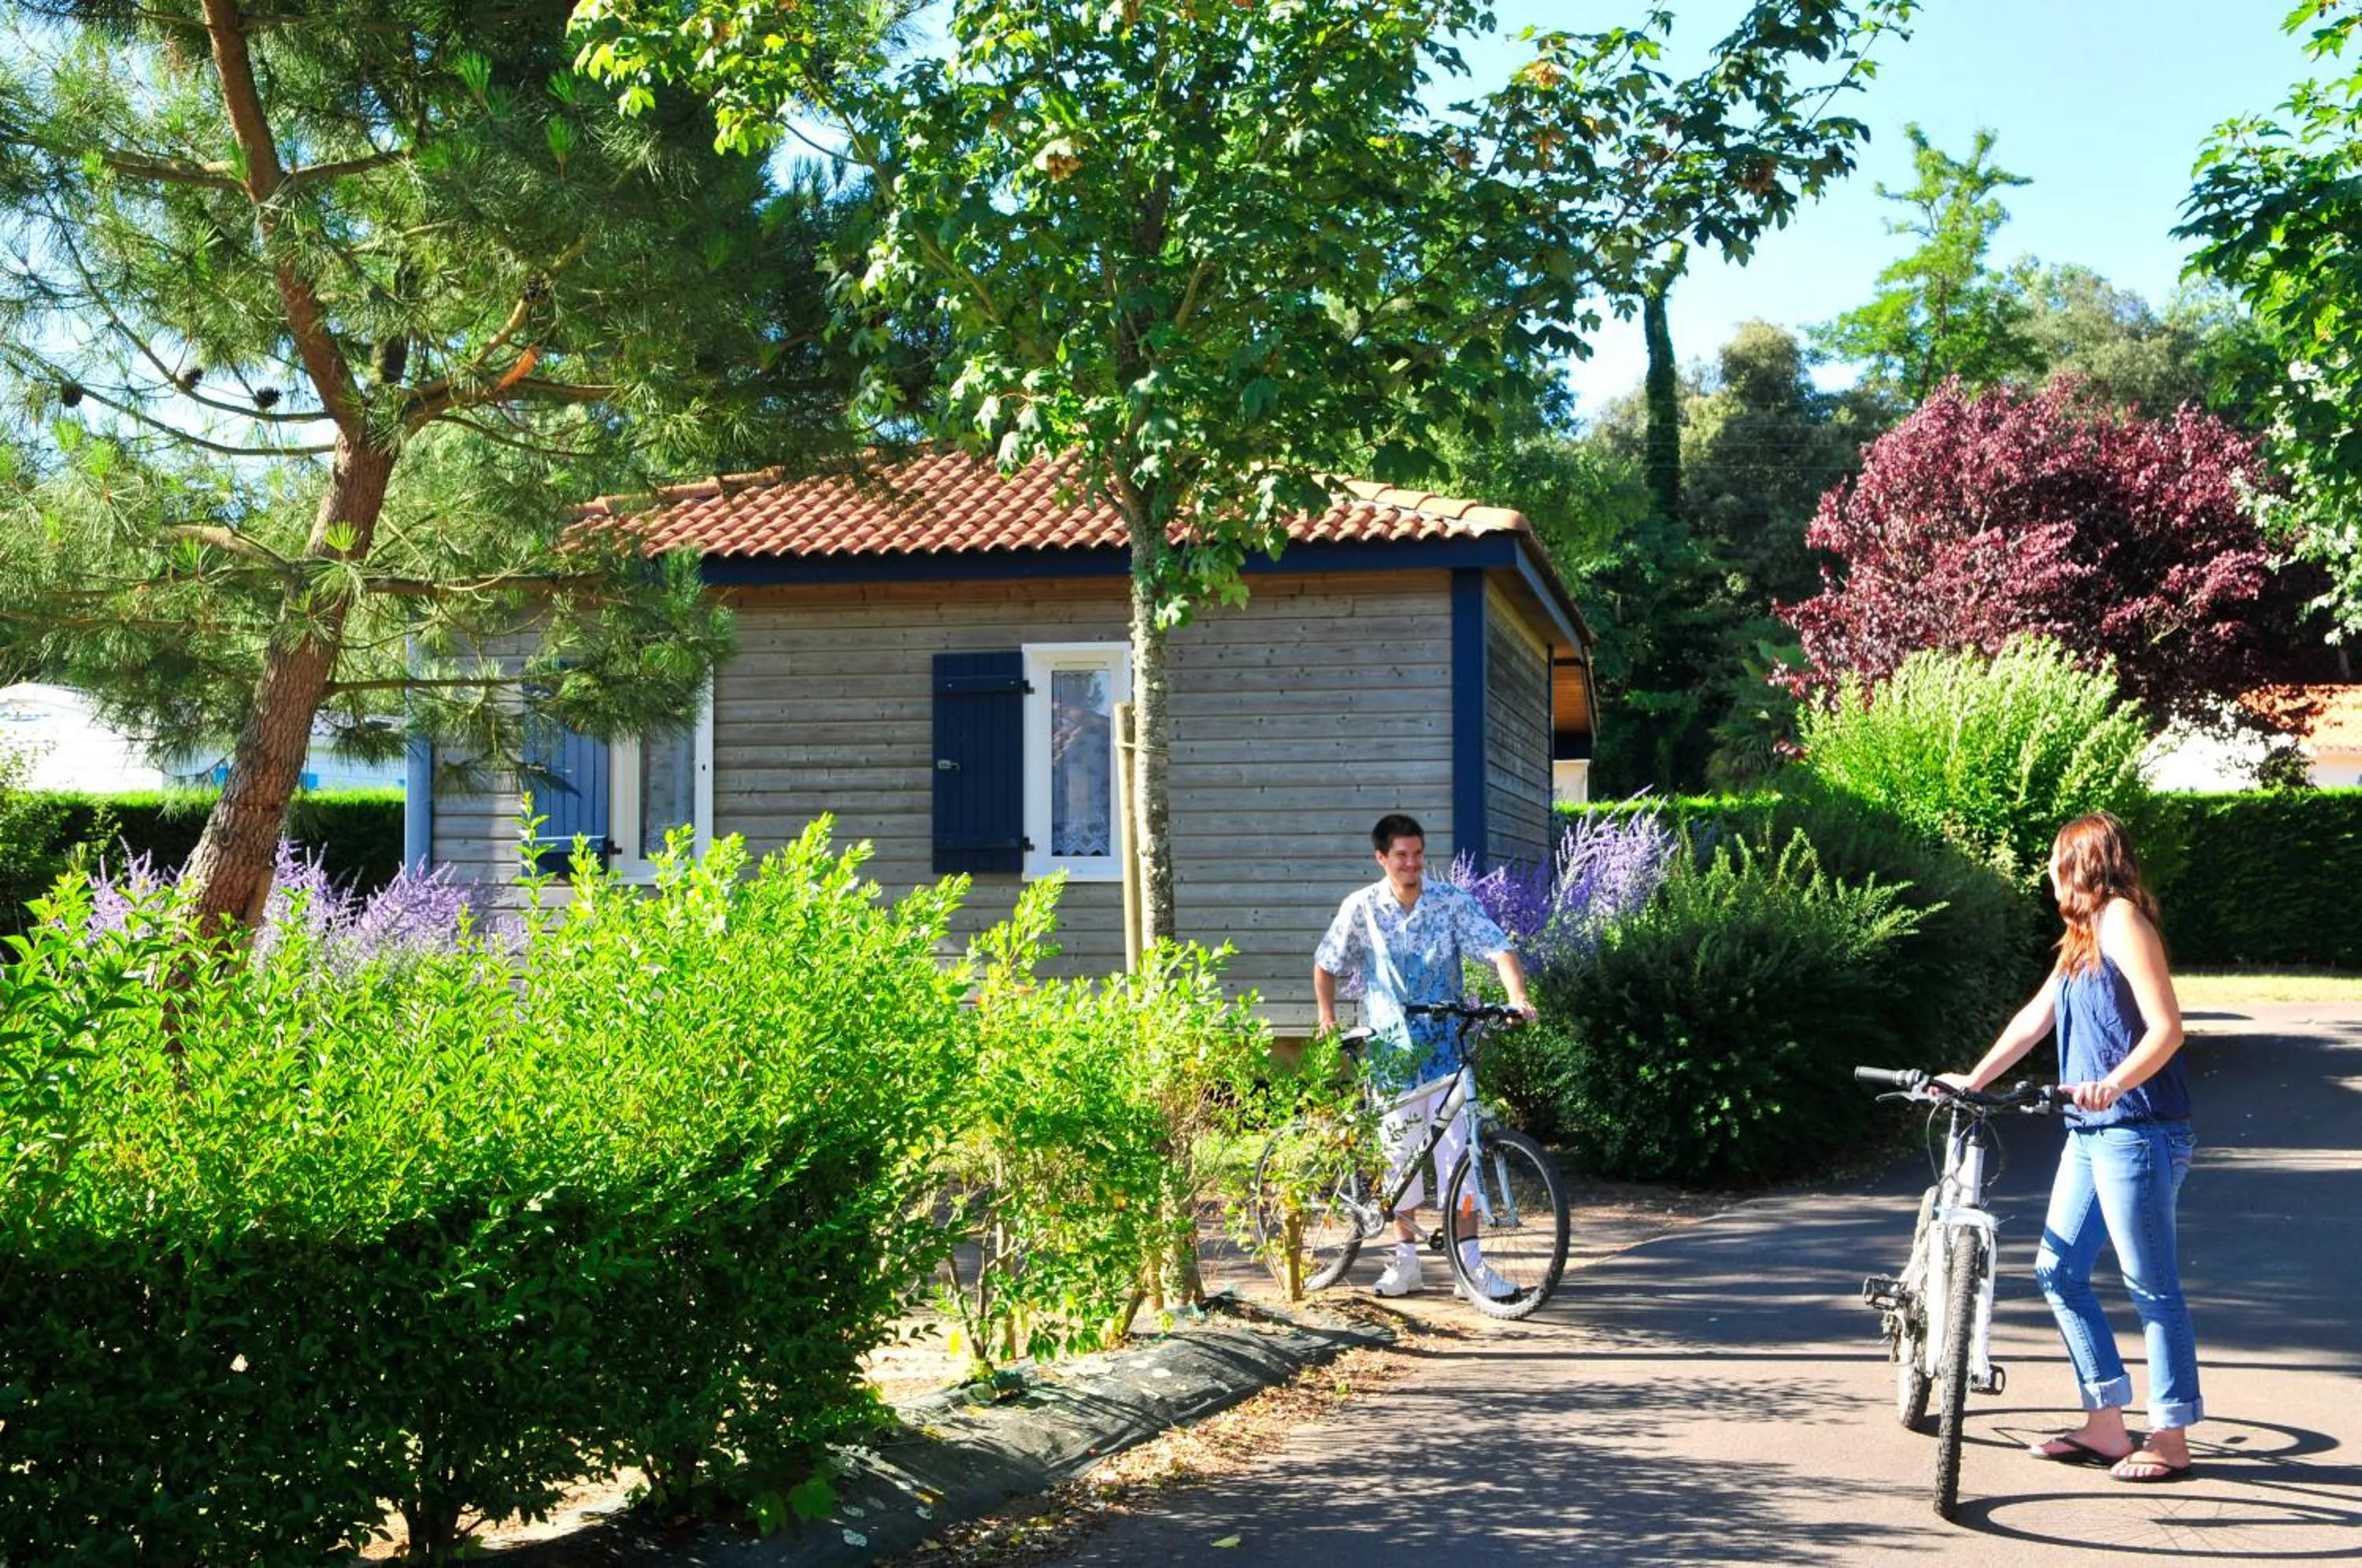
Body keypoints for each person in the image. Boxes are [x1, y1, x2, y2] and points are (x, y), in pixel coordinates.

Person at [1942, 812, 2201, 1483]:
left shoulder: (2122, 920)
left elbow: (2167, 1029)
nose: (2049, 874)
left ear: (2082, 864)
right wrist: (1973, 1080)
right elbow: (2036, 1018)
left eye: (2057, 861)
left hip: (2139, 1130)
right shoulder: (2082, 936)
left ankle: (2170, 1438)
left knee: (2152, 1288)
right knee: (2058, 1272)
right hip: (2090, 1134)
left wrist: (2114, 1083)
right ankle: (2105, 1425)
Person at [1313, 812, 1537, 1298]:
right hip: (1391, 1052)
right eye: (1401, 855)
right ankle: (1405, 1263)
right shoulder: (1362, 907)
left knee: (1462, 1159)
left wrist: (1517, 998)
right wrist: (1327, 1018)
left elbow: (1499, 949)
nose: (1412, 864)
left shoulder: (1451, 902)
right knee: (1400, 1160)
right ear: (1382, 857)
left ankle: (1470, 1267)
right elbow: (1326, 962)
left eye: (1417, 854)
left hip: (1446, 1051)